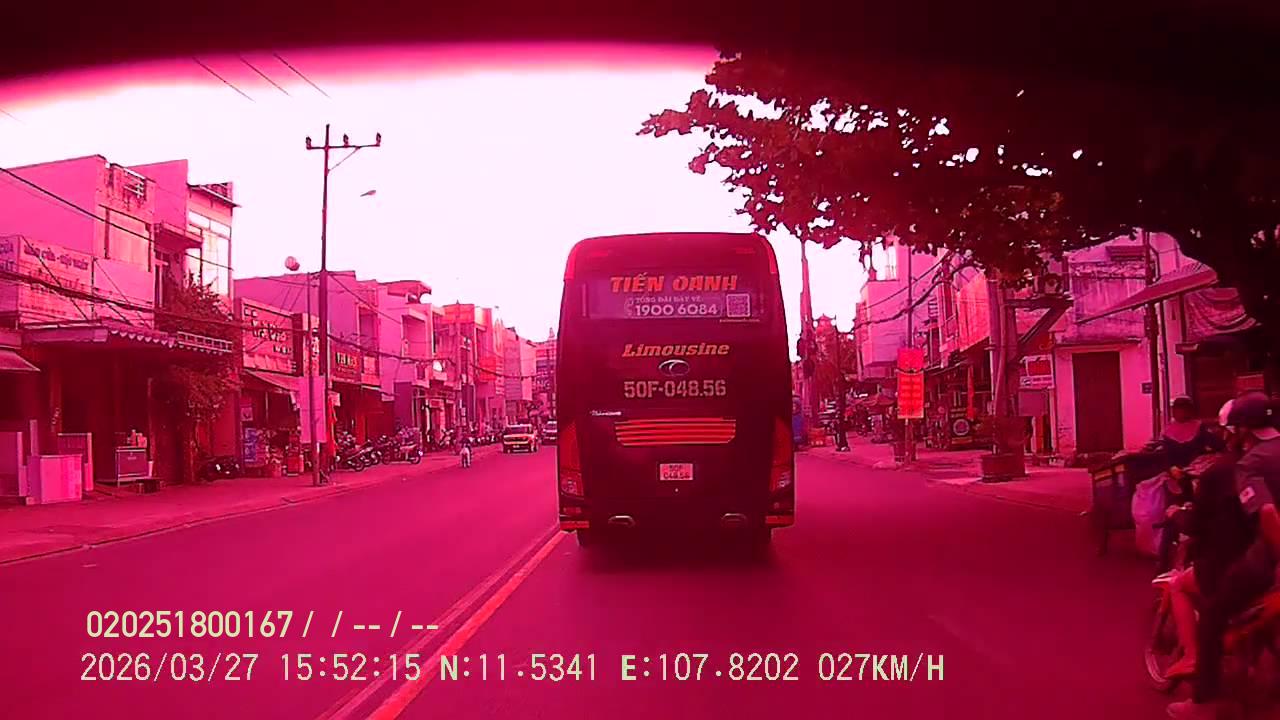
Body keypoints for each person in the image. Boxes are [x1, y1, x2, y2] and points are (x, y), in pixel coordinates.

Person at [1169, 392, 1280, 719]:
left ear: (1241, 430)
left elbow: (1266, 514)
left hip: (1261, 556)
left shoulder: (1248, 463)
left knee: (1213, 615)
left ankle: (1205, 701)